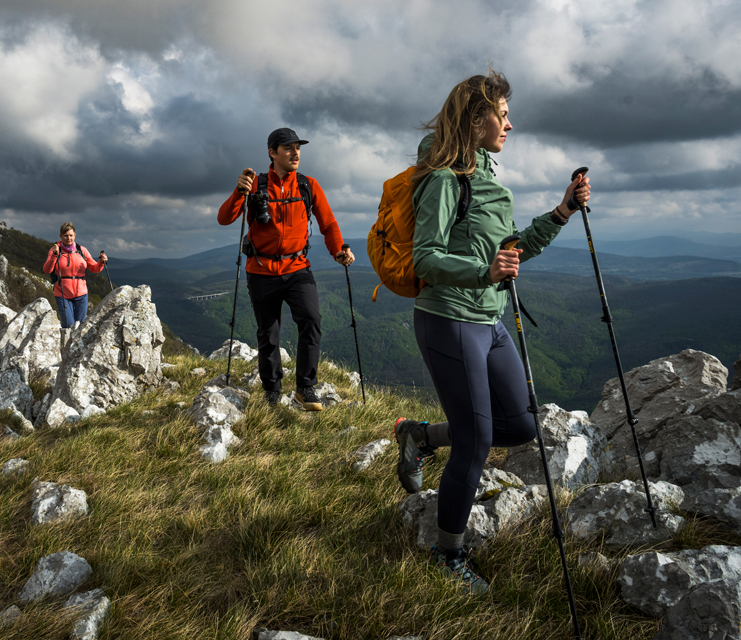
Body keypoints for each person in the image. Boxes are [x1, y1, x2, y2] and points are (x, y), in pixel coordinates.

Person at [391, 70, 590, 593]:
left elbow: (510, 249)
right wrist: (485, 272)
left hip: (489, 319)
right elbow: (426, 258)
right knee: (476, 442)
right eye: (502, 114)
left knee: (521, 427)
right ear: (477, 119)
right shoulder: (442, 178)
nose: (509, 123)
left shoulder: (487, 173)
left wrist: (563, 211)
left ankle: (422, 435)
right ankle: (447, 555)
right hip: (449, 318)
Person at [217, 127, 354, 410]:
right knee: (268, 333)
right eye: (289, 148)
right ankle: (272, 392)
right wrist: (239, 191)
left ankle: (306, 388)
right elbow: (225, 218)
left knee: (311, 319)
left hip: (297, 268)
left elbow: (328, 224)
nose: (296, 153)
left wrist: (339, 250)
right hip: (261, 270)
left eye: (298, 148)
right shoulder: (255, 184)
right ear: (272, 153)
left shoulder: (308, 185)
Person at [42, 222, 107, 329]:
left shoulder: (82, 250)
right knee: (69, 325)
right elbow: (47, 270)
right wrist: (54, 255)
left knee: (80, 326)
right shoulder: (55, 250)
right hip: (62, 293)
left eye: (71, 235)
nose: (68, 238)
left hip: (81, 294)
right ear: (60, 236)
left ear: (75, 236)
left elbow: (95, 268)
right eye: (65, 235)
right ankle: (65, 345)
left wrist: (101, 262)